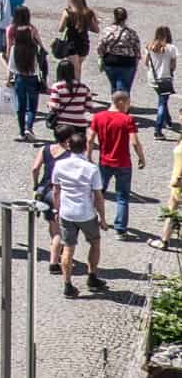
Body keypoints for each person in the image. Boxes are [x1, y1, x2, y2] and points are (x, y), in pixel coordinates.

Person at [48, 127, 108, 296]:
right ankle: (92, 276)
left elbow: (56, 191)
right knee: (94, 243)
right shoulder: (91, 169)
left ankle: (67, 284)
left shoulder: (59, 165)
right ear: (85, 148)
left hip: (67, 212)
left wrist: (56, 209)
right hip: (86, 212)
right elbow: (98, 196)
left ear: (69, 146)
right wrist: (102, 218)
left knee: (68, 248)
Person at [89, 89, 145, 238]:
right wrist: (141, 157)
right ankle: (120, 229)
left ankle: (92, 219)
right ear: (121, 102)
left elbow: (90, 139)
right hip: (123, 163)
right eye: (128, 103)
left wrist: (88, 156)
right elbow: (134, 142)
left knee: (99, 192)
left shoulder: (98, 117)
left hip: (104, 162)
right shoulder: (127, 120)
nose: (128, 106)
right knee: (122, 197)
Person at [7, 5, 47, 142]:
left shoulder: (14, 50)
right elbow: (41, 60)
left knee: (21, 106)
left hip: (19, 79)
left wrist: (8, 80)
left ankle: (21, 131)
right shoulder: (34, 50)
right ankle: (29, 127)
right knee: (32, 106)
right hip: (33, 78)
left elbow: (11, 68)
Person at [97, 7, 142, 97]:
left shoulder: (107, 31)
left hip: (110, 61)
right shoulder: (131, 33)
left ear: (114, 17)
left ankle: (115, 104)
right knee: (124, 87)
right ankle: (122, 106)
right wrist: (136, 61)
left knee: (114, 85)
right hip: (127, 62)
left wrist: (102, 56)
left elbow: (100, 47)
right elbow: (137, 49)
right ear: (126, 18)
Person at [46, 59, 97, 137]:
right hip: (80, 124)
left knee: (63, 148)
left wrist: (48, 104)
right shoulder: (83, 87)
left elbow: (55, 106)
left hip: (62, 124)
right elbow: (89, 107)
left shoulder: (57, 87)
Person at [59, 0, 99, 82]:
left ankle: (75, 87)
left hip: (71, 43)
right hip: (84, 43)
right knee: (78, 67)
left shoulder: (67, 12)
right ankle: (77, 85)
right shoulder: (89, 13)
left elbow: (60, 29)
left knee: (74, 68)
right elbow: (96, 30)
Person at [147, 26, 176, 141]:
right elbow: (173, 66)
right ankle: (157, 130)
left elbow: (146, 62)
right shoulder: (171, 48)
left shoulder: (149, 46)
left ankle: (168, 120)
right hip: (165, 78)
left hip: (153, 78)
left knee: (162, 99)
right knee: (162, 103)